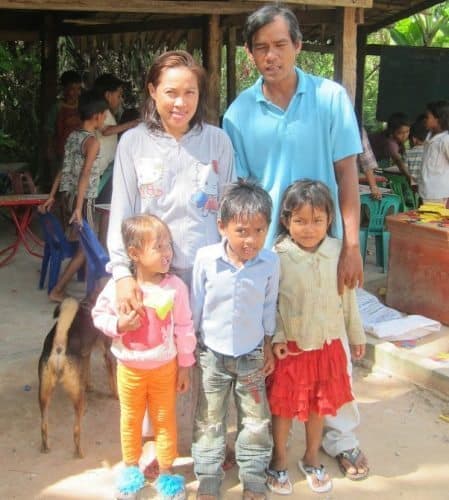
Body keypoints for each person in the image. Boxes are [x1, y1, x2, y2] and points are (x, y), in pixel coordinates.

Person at [222, 4, 369, 480]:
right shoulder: (238, 114)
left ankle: (341, 438)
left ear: (298, 46)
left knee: (331, 343)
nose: (271, 55)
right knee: (269, 348)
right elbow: (240, 190)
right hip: (266, 254)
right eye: (261, 47)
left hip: (326, 248)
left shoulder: (328, 97)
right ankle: (262, 439)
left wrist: (350, 246)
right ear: (249, 54)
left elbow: (348, 172)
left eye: (280, 44)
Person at [106, 50, 235, 477]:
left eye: (190, 92)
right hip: (150, 275)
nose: (180, 102)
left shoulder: (217, 141)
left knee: (199, 357)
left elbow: (230, 210)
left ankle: (204, 441)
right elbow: (122, 212)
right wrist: (123, 275)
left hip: (205, 274)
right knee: (149, 356)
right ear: (152, 92)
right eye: (170, 92)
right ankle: (151, 446)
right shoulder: (133, 143)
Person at [266, 180, 366, 495]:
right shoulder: (276, 256)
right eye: (300, 221)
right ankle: (279, 458)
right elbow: (271, 305)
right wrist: (277, 338)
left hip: (327, 345)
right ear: (285, 221)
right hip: (292, 349)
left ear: (329, 221)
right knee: (283, 406)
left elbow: (348, 298)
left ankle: (310, 457)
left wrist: (355, 334)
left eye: (317, 221)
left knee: (318, 407)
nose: (309, 229)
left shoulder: (339, 252)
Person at [92, 214, 196, 500]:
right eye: (158, 247)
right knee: (130, 419)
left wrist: (185, 366)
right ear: (134, 254)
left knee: (165, 420)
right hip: (128, 370)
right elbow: (98, 315)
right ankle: (130, 470)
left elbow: (185, 328)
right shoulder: (119, 288)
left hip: (165, 369)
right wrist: (119, 326)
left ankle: (166, 475)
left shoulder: (175, 287)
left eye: (168, 246)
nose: (167, 253)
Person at [190, 179, 279, 500]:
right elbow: (195, 306)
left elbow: (269, 306)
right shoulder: (205, 259)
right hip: (211, 355)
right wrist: (191, 350)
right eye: (242, 231)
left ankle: (254, 480)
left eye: (259, 231)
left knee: (255, 420)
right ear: (222, 226)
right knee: (209, 419)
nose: (250, 240)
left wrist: (268, 344)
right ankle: (209, 479)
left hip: (252, 354)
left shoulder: (270, 263)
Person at [40, 90, 109, 302]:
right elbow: (85, 174)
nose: (105, 118)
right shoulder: (92, 142)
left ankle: (92, 291)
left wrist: (52, 195)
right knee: (87, 245)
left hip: (68, 195)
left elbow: (64, 168)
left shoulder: (73, 136)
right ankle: (59, 290)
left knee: (86, 243)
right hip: (83, 198)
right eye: (104, 114)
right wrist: (80, 208)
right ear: (97, 115)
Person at [92, 74, 140, 203]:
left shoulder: (107, 113)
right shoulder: (101, 113)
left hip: (106, 167)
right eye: (118, 96)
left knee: (105, 205)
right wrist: (132, 124)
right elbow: (106, 131)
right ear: (108, 95)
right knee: (104, 205)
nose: (120, 100)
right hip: (102, 169)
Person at [419, 100, 449, 204]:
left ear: (438, 119)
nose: (425, 120)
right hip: (426, 192)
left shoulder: (446, 139)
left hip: (440, 195)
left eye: (428, 117)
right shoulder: (429, 137)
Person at [369, 112, 411, 182]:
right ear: (392, 132)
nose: (405, 136)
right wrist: (409, 177)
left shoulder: (390, 137)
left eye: (407, 131)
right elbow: (399, 162)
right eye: (400, 133)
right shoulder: (390, 144)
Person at [407, 115, 427, 190]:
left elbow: (403, 170)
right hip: (427, 192)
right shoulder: (430, 152)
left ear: (413, 138)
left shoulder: (407, 153)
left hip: (410, 193)